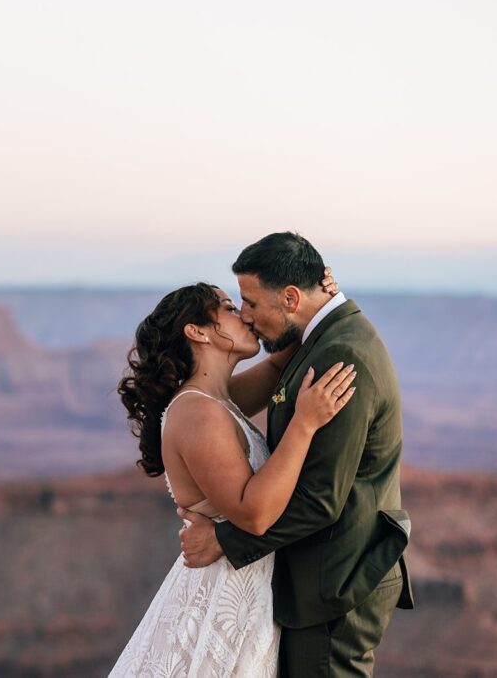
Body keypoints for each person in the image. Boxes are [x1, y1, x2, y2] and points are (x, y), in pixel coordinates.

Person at [178, 232, 414, 677]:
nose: (245, 316)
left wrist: (223, 543)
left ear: (289, 297)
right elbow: (218, 401)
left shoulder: (340, 354)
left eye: (250, 302)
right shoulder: (319, 336)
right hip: (321, 579)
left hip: (337, 583)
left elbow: (320, 500)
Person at [110, 267, 354, 677]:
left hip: (244, 592)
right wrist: (305, 424)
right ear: (198, 332)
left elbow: (281, 362)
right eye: (225, 307)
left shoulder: (213, 401)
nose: (243, 314)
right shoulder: (195, 412)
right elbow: (254, 513)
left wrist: (317, 296)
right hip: (222, 603)